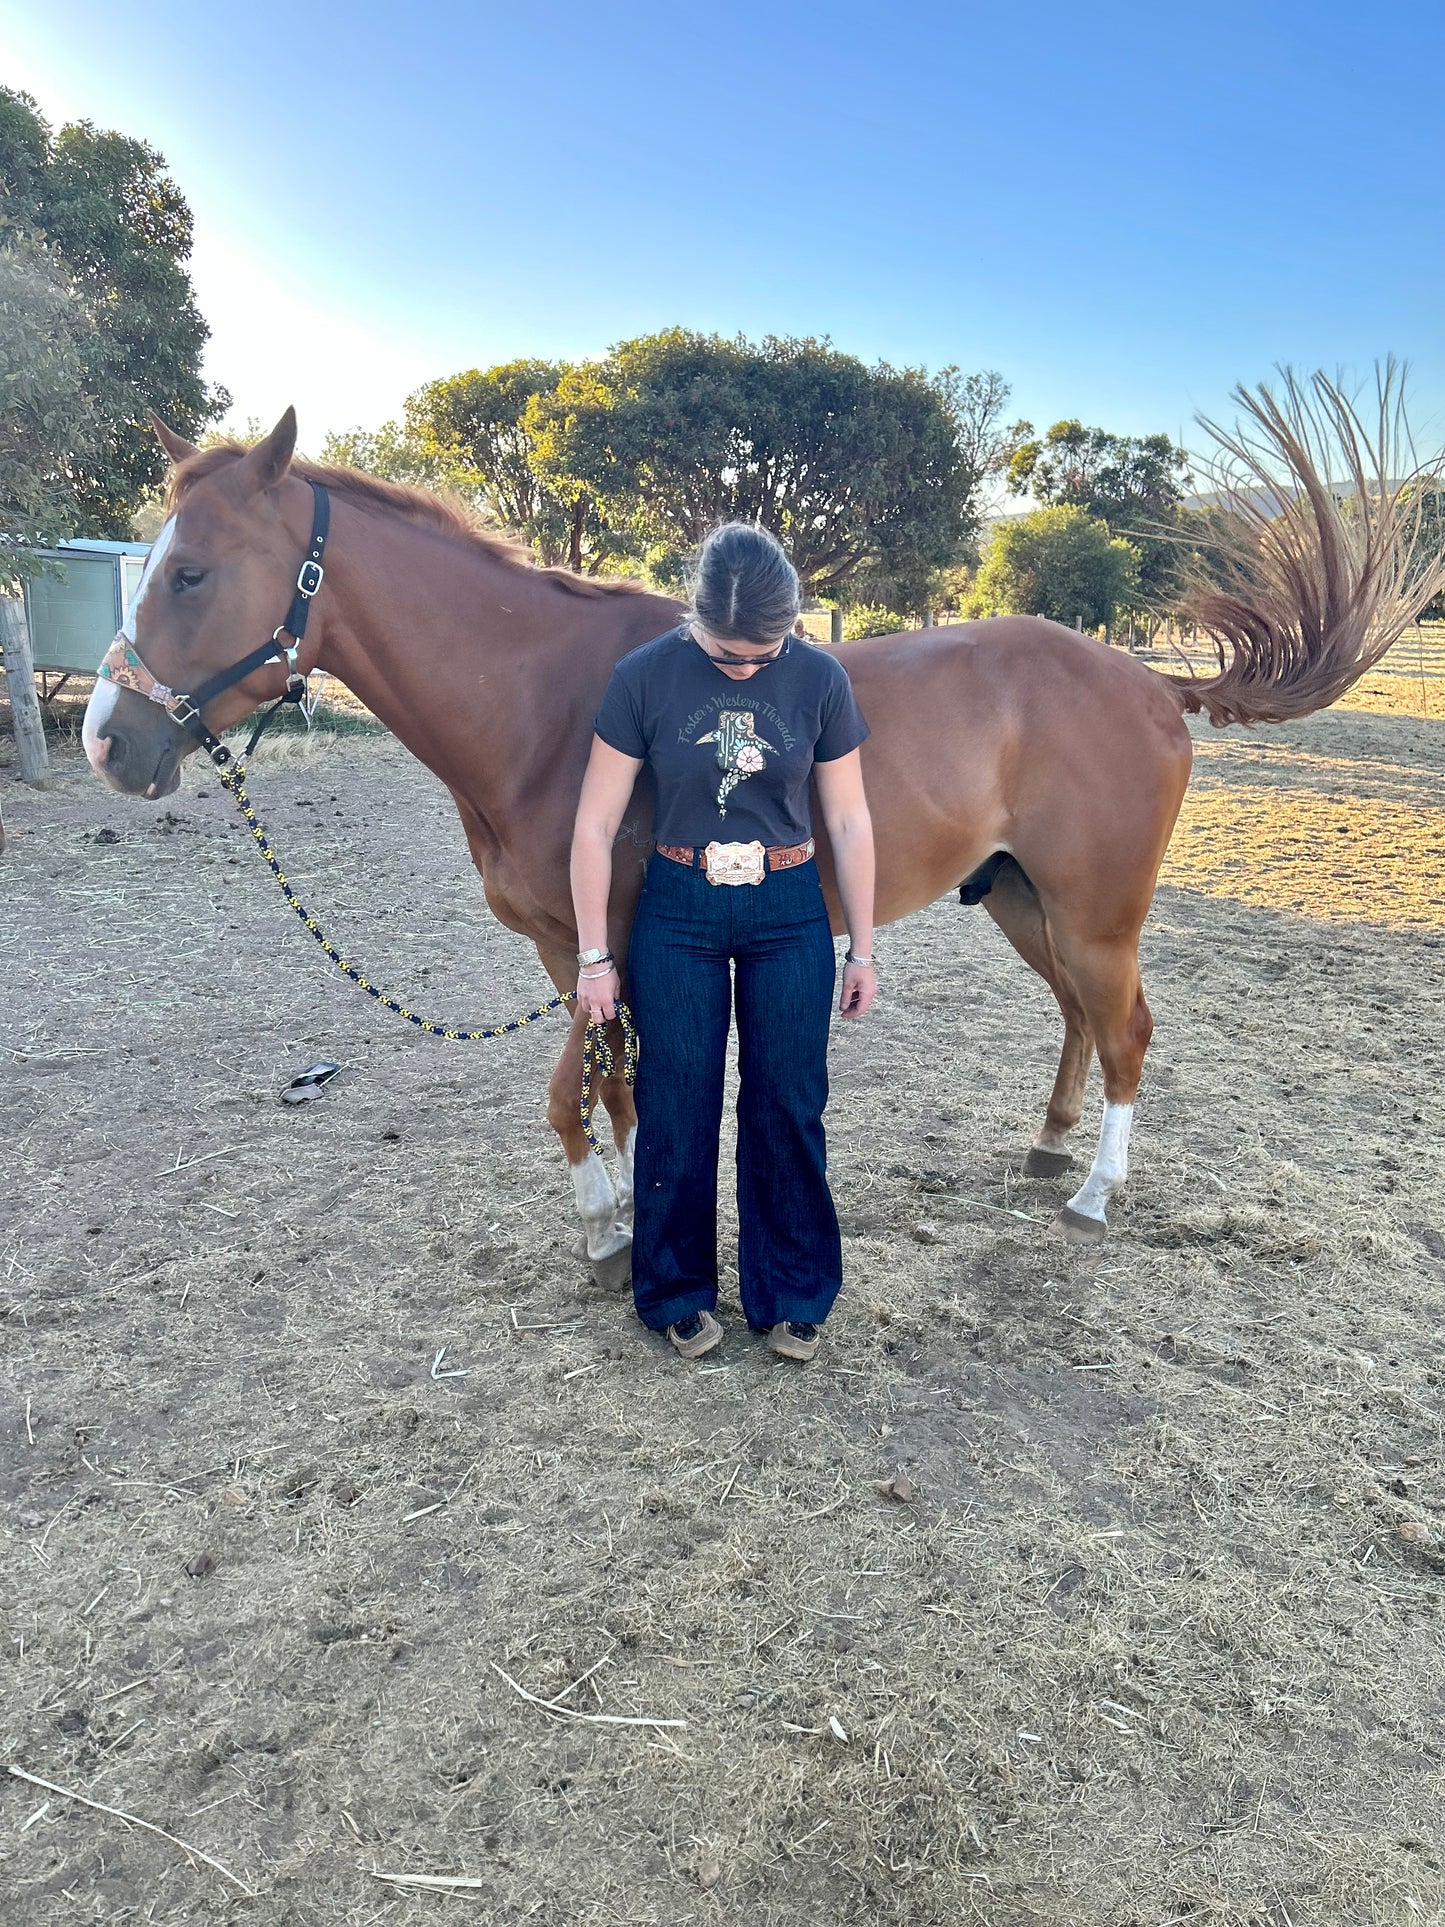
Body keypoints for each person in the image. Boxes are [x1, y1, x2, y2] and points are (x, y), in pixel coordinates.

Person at [570, 523, 877, 1363]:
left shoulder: (819, 677)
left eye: (760, 654)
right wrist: (594, 956)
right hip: (677, 908)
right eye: (725, 653)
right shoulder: (642, 677)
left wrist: (864, 947)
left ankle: (794, 1291)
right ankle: (674, 1288)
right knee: (675, 1102)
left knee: (787, 1101)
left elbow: (848, 820)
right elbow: (594, 825)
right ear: (693, 615)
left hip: (787, 909)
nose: (743, 667)